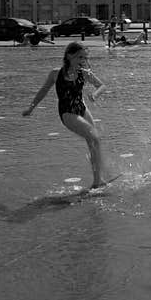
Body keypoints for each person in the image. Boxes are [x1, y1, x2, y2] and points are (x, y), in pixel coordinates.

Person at [22, 41, 114, 189]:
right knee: (94, 137)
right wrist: (31, 108)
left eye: (85, 57)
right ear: (69, 56)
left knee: (94, 142)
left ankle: (98, 179)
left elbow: (102, 85)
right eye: (80, 57)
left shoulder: (84, 73)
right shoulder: (56, 73)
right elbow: (43, 91)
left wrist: (95, 95)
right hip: (67, 113)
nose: (83, 61)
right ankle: (98, 182)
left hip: (82, 109)